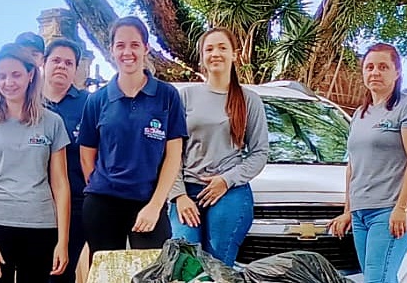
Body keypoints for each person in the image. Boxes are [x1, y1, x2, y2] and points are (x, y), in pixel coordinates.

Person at [328, 42, 407, 283]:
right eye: (370, 67)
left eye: (383, 66)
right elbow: (353, 166)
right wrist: (348, 210)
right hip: (362, 213)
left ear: (397, 72)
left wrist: (401, 207)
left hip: (390, 212)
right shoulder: (361, 114)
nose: (375, 72)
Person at [0, 43, 71, 283]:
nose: (8, 82)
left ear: (31, 75)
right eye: (2, 76)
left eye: (15, 75)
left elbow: (61, 184)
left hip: (41, 227)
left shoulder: (52, 122)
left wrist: (62, 241)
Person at [77, 16, 187, 255]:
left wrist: (156, 205)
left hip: (149, 202)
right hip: (102, 204)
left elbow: (173, 156)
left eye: (135, 44)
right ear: (112, 51)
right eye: (121, 45)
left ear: (146, 48)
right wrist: (103, 184)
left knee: (150, 282)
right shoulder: (97, 100)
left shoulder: (166, 96)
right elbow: (87, 155)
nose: (128, 52)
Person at [170, 26, 270, 265]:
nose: (215, 53)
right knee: (186, 262)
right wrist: (178, 195)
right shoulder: (185, 97)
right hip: (188, 191)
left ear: (234, 54)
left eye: (222, 48)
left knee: (218, 264)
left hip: (229, 192)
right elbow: (171, 153)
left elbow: (259, 152)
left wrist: (226, 180)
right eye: (209, 49)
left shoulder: (249, 101)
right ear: (202, 57)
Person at [40, 36, 89, 283]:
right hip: (34, 200)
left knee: (62, 272)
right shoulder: (27, 101)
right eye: (56, 60)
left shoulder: (88, 104)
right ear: (43, 64)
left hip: (76, 200)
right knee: (38, 273)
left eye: (68, 63)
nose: (61, 66)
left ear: (76, 69)